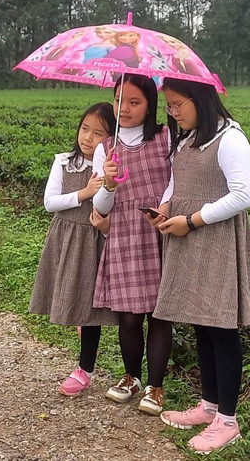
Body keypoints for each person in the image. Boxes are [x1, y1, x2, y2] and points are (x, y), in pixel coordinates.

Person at [151, 77, 250, 455]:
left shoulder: (230, 138)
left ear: (200, 98)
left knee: (221, 328)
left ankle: (228, 421)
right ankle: (209, 406)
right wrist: (167, 205)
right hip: (188, 236)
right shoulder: (188, 135)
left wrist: (194, 219)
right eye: (169, 106)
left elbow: (244, 194)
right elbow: (176, 181)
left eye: (178, 104)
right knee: (201, 322)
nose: (173, 112)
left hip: (214, 240)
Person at [89, 74, 174, 416]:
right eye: (119, 100)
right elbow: (101, 207)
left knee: (159, 314)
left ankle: (156, 385)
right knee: (128, 315)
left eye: (134, 102)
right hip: (124, 232)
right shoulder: (105, 148)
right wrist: (107, 182)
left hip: (158, 229)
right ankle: (132, 377)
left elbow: (175, 182)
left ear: (150, 105)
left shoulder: (167, 138)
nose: (124, 109)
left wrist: (165, 206)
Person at [28, 102, 119, 396]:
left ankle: (84, 370)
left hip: (93, 241)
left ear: (111, 139)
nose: (88, 138)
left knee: (89, 310)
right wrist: (84, 193)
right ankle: (80, 331)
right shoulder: (65, 161)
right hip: (65, 237)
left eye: (98, 133)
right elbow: (50, 202)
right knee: (70, 295)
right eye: (84, 129)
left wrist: (105, 185)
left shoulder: (109, 169)